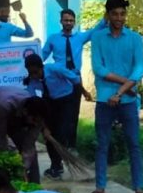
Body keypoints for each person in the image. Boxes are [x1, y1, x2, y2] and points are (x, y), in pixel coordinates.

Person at [89, 0, 143, 193]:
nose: (119, 17)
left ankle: (139, 189)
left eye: (122, 13)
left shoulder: (134, 39)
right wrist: (126, 85)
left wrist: (121, 92)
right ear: (107, 15)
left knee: (134, 144)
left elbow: (139, 69)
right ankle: (100, 188)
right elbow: (99, 68)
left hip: (127, 102)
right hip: (105, 100)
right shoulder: (98, 38)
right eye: (114, 13)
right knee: (102, 145)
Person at [41, 9, 107, 149]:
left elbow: (97, 29)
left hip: (75, 78)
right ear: (61, 21)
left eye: (71, 20)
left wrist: (107, 14)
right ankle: (58, 142)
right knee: (58, 112)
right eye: (66, 20)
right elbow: (42, 56)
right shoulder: (53, 38)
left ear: (74, 22)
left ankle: (71, 145)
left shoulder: (80, 37)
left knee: (73, 113)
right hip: (59, 80)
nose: (68, 23)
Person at [0, 86, 50, 184]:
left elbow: (29, 145)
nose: (35, 124)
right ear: (25, 112)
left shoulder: (37, 117)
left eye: (39, 122)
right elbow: (0, 139)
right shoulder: (4, 105)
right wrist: (7, 164)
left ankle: (35, 186)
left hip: (17, 117)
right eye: (34, 120)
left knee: (31, 153)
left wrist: (24, 166)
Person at [24, 53, 80, 179]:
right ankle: (56, 166)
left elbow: (75, 80)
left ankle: (66, 151)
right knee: (49, 136)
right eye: (30, 73)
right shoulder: (32, 81)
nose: (34, 75)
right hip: (50, 102)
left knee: (61, 132)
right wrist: (44, 127)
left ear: (41, 67)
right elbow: (32, 99)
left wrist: (76, 99)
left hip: (66, 99)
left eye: (36, 72)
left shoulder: (55, 69)